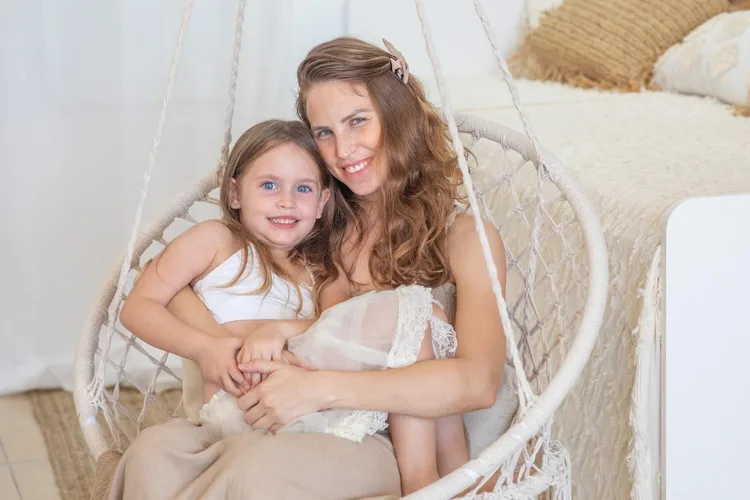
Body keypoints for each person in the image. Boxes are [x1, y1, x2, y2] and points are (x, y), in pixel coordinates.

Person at [107, 37, 511, 500]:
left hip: (381, 436)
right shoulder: (317, 223)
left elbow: (478, 383)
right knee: (154, 455)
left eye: (357, 121)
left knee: (253, 473)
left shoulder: (466, 239)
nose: (343, 150)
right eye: (324, 132)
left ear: (398, 116)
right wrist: (219, 343)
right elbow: (194, 281)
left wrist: (318, 389)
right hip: (287, 412)